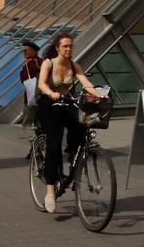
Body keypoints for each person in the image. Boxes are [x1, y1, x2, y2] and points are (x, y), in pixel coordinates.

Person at [36, 32, 99, 213]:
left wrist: (99, 95)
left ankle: (72, 152)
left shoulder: (74, 65)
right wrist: (50, 92)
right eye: (65, 46)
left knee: (79, 128)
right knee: (54, 146)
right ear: (58, 48)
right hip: (49, 105)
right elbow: (41, 84)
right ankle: (49, 192)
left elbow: (86, 83)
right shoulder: (49, 63)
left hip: (66, 103)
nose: (68, 49)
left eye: (71, 46)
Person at [16, 40, 42, 127]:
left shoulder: (34, 62)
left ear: (33, 51)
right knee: (36, 121)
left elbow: (24, 78)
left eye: (25, 51)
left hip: (33, 96)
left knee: (28, 122)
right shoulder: (36, 61)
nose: (23, 53)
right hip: (33, 96)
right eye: (23, 51)